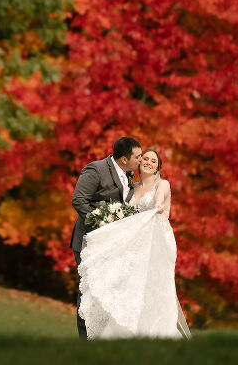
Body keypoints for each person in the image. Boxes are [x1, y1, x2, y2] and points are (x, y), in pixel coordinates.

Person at [77, 148, 191, 339]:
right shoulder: (133, 187)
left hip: (157, 241)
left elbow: (159, 198)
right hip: (135, 243)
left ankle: (156, 332)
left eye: (153, 161)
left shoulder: (162, 184)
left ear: (158, 166)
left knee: (152, 285)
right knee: (130, 284)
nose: (148, 162)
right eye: (144, 158)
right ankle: (127, 328)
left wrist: (158, 205)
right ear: (138, 163)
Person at [70, 137, 142, 340]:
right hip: (89, 242)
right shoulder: (96, 169)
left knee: (107, 291)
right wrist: (103, 220)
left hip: (113, 246)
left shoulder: (128, 174)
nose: (141, 160)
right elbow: (79, 200)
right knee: (90, 291)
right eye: (137, 157)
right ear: (124, 159)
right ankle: (85, 340)